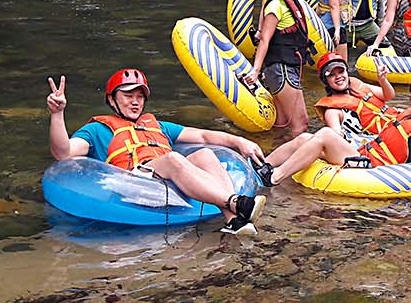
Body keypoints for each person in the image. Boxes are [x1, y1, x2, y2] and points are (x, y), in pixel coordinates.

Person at [45, 68, 268, 235]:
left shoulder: (157, 125)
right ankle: (238, 203)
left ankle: (233, 220)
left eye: (139, 97)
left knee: (205, 154)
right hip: (134, 180)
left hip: (167, 174)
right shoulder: (97, 130)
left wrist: (239, 141)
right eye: (128, 96)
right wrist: (57, 114)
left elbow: (202, 137)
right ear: (112, 100)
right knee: (172, 158)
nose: (135, 102)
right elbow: (63, 153)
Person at [253, 70, 411, 207]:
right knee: (304, 137)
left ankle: (274, 178)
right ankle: (261, 166)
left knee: (325, 134)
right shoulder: (410, 116)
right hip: (363, 154)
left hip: (372, 167)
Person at [244, 0, 313, 135]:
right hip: (281, 69)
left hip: (286, 67)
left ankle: (272, 152)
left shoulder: (293, 0)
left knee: (282, 123)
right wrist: (256, 70)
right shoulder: (276, 5)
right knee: (301, 124)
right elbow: (265, 39)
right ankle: (295, 161)